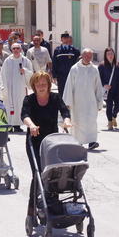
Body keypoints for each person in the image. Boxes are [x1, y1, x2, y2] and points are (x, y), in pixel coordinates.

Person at [22, 71, 71, 224]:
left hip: (52, 142)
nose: (41, 87)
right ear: (34, 86)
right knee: (37, 175)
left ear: (49, 85)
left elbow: (64, 111)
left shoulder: (55, 98)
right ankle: (31, 210)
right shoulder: (29, 99)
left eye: (44, 84)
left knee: (54, 174)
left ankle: (52, 206)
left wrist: (67, 121)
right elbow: (24, 115)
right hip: (35, 141)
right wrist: (31, 125)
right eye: (38, 84)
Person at [63, 48, 103, 150]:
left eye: (91, 56)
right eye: (87, 56)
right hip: (78, 101)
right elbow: (69, 86)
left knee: (91, 122)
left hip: (91, 101)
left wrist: (99, 102)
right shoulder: (74, 69)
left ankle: (92, 142)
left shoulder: (94, 69)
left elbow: (98, 86)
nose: (89, 58)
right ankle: (78, 142)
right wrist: (67, 103)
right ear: (82, 56)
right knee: (78, 122)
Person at [0, 43, 33, 132]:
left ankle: (17, 125)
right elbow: (2, 75)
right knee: (8, 106)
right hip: (9, 88)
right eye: (14, 48)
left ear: (21, 49)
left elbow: (31, 74)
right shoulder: (7, 61)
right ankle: (9, 125)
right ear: (11, 50)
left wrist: (25, 71)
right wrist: (3, 87)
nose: (16, 50)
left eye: (17, 48)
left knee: (19, 106)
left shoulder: (25, 61)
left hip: (21, 88)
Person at [98, 47, 119, 130]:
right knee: (109, 106)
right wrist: (104, 85)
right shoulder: (101, 65)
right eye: (108, 54)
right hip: (108, 90)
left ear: (114, 55)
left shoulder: (118, 65)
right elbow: (98, 78)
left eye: (112, 54)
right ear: (105, 55)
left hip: (117, 88)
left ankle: (114, 116)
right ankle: (110, 122)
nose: (110, 56)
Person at [52, 32, 80, 97]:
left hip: (71, 75)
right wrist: (54, 75)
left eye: (67, 38)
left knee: (72, 92)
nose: (66, 40)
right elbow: (54, 63)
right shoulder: (57, 50)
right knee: (62, 92)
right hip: (61, 76)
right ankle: (62, 106)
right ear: (61, 39)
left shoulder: (75, 50)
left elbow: (78, 63)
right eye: (64, 38)